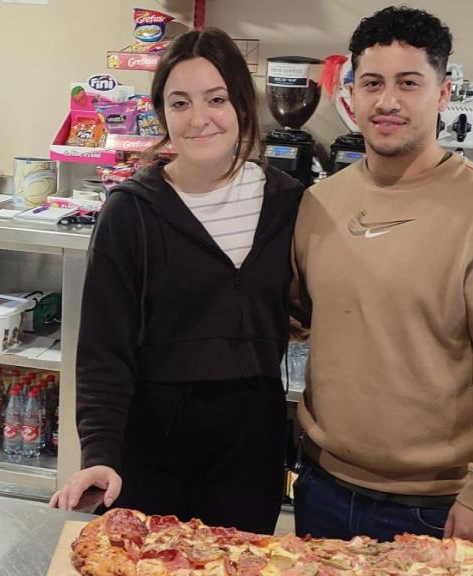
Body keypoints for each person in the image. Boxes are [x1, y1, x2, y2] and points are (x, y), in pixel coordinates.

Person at [291, 6, 473, 547]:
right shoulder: (319, 203)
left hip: (432, 506)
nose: (387, 101)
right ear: (351, 94)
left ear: (442, 94)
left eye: (408, 83)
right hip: (321, 486)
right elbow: (293, 320)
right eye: (372, 83)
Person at [50, 28, 304, 534]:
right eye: (180, 102)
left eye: (216, 99)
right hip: (149, 449)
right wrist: (99, 452)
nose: (199, 118)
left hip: (249, 450)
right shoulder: (132, 212)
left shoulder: (289, 204)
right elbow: (104, 349)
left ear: (242, 106)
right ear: (162, 114)